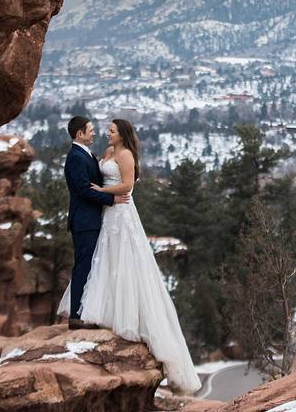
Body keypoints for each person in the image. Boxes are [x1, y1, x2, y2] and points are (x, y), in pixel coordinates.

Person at [57, 118, 202, 394]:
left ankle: (116, 313)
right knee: (101, 263)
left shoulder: (124, 155)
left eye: (110, 130)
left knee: (118, 261)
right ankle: (88, 312)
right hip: (103, 215)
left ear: (121, 134)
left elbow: (126, 186)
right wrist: (105, 196)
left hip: (120, 213)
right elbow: (87, 185)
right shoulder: (101, 154)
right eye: (94, 130)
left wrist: (105, 193)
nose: (102, 133)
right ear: (80, 133)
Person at [62, 116, 130, 330]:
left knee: (93, 265)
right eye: (90, 130)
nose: (94, 133)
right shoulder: (75, 157)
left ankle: (87, 310)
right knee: (83, 265)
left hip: (94, 218)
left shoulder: (86, 154)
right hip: (84, 220)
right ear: (79, 134)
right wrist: (112, 199)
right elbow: (83, 190)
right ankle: (76, 317)